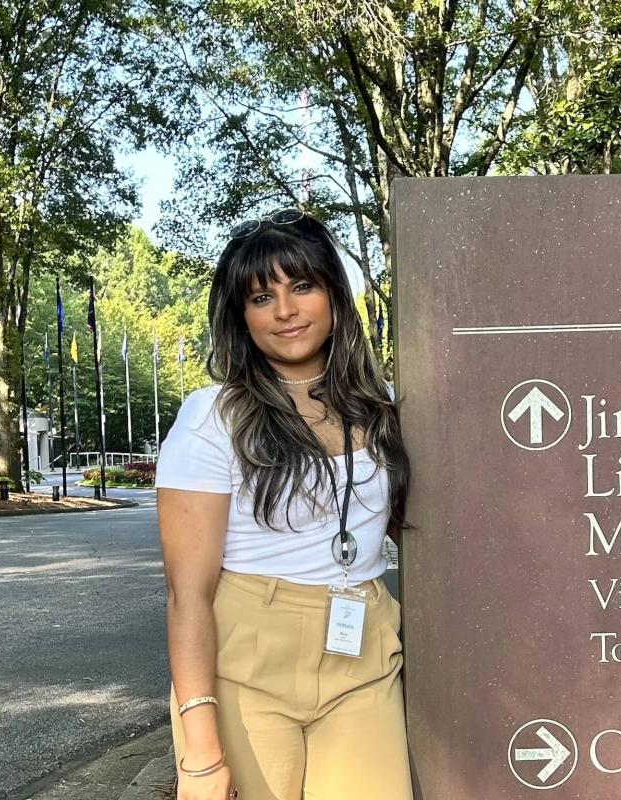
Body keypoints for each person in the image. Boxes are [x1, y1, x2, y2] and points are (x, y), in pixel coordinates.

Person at [155, 209, 411, 800]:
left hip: (362, 656)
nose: (286, 310)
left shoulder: (388, 407)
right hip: (247, 663)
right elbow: (186, 594)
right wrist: (199, 754)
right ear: (242, 318)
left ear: (333, 295)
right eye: (261, 297)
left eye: (302, 286)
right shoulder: (213, 417)